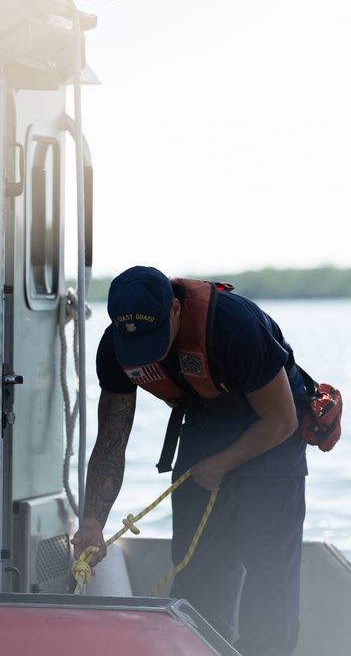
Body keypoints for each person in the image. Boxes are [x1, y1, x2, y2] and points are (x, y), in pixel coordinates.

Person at [72, 266, 308, 656]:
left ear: (177, 310)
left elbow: (283, 420)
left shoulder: (235, 327)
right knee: (197, 566)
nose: (150, 353)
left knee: (268, 568)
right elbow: (111, 442)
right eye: (138, 346)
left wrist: (221, 464)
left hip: (274, 428)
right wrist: (92, 520)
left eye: (155, 340)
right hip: (205, 420)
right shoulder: (115, 348)